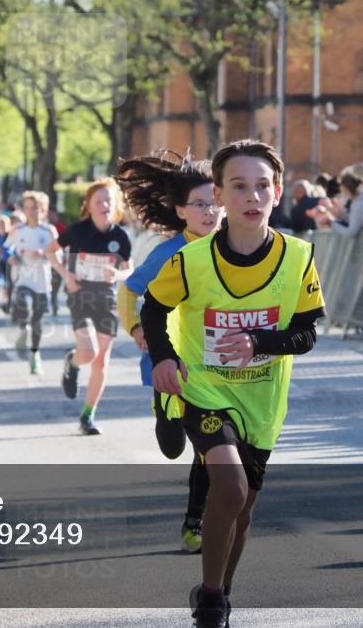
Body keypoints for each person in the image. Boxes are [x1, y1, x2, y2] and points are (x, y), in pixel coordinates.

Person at [141, 139, 325, 628]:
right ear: (219, 195)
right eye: (239, 186)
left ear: (278, 192)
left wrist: (260, 341)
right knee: (229, 485)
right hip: (204, 390)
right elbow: (154, 307)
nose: (252, 196)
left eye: (262, 186)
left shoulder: (298, 257)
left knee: (242, 508)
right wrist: (163, 357)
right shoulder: (192, 260)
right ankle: (212, 603)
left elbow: (307, 334)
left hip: (262, 400)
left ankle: (216, 585)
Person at [115, 151, 225, 554]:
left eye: (216, 201)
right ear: (181, 210)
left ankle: (194, 523)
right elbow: (128, 290)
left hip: (215, 366)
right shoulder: (167, 253)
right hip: (170, 363)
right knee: (172, 445)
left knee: (208, 449)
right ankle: (163, 412)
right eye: (200, 204)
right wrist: (137, 328)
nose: (211, 211)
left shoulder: (235, 248)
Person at [45, 178, 132, 435]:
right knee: (89, 352)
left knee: (101, 361)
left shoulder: (120, 236)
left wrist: (117, 276)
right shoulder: (77, 231)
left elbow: (129, 270)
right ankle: (72, 361)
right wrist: (66, 275)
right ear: (90, 206)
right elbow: (51, 251)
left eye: (108, 200)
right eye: (99, 201)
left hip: (106, 298)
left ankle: (88, 416)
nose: (105, 204)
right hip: (80, 296)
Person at [5, 191, 58, 376]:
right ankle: (22, 330)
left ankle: (35, 355)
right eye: (27, 208)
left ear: (43, 210)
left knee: (38, 322)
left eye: (35, 208)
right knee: (24, 306)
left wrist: (43, 253)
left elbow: (58, 255)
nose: (31, 211)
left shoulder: (49, 231)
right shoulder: (17, 229)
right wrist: (11, 258)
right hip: (22, 280)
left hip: (43, 283)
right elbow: (5, 249)